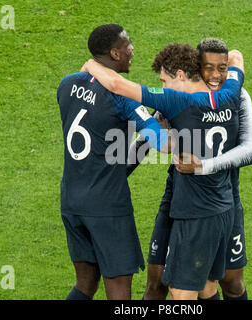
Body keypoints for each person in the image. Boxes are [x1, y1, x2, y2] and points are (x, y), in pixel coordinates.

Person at [81, 43, 244, 299]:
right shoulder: (230, 94)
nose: (163, 86)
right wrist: (224, 69)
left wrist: (91, 65)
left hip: (196, 212)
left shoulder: (179, 100)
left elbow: (117, 86)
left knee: (181, 294)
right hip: (223, 208)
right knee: (207, 288)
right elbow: (235, 56)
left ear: (180, 75)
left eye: (164, 81)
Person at [56, 24, 172, 300]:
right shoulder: (124, 97)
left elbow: (113, 157)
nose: (132, 49)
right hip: (107, 208)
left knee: (85, 284)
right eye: (127, 45)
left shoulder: (66, 84)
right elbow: (163, 144)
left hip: (72, 202)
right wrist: (163, 123)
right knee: (119, 294)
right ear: (114, 53)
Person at [143, 38, 252, 300]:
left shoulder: (236, 96)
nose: (216, 75)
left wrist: (204, 166)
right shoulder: (183, 97)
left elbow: (251, 149)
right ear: (196, 68)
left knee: (229, 282)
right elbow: (147, 137)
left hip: (224, 198)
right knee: (158, 282)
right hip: (179, 196)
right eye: (208, 68)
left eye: (222, 68)